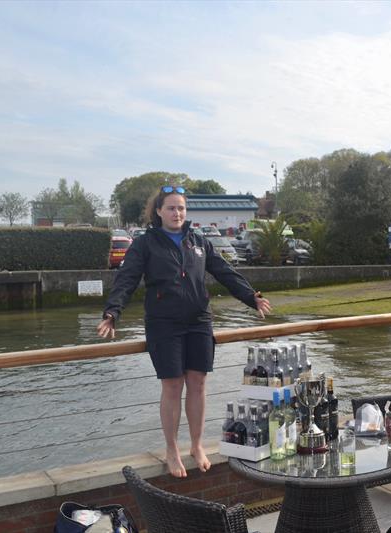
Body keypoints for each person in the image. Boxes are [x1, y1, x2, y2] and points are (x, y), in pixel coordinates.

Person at [97, 185, 272, 478]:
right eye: (171, 208)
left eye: (181, 208)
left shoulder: (198, 241)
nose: (177, 213)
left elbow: (225, 272)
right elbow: (126, 279)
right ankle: (171, 450)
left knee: (199, 384)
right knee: (172, 386)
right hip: (164, 324)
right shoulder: (146, 243)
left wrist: (250, 297)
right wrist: (112, 311)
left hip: (199, 322)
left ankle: (196, 445)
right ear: (158, 211)